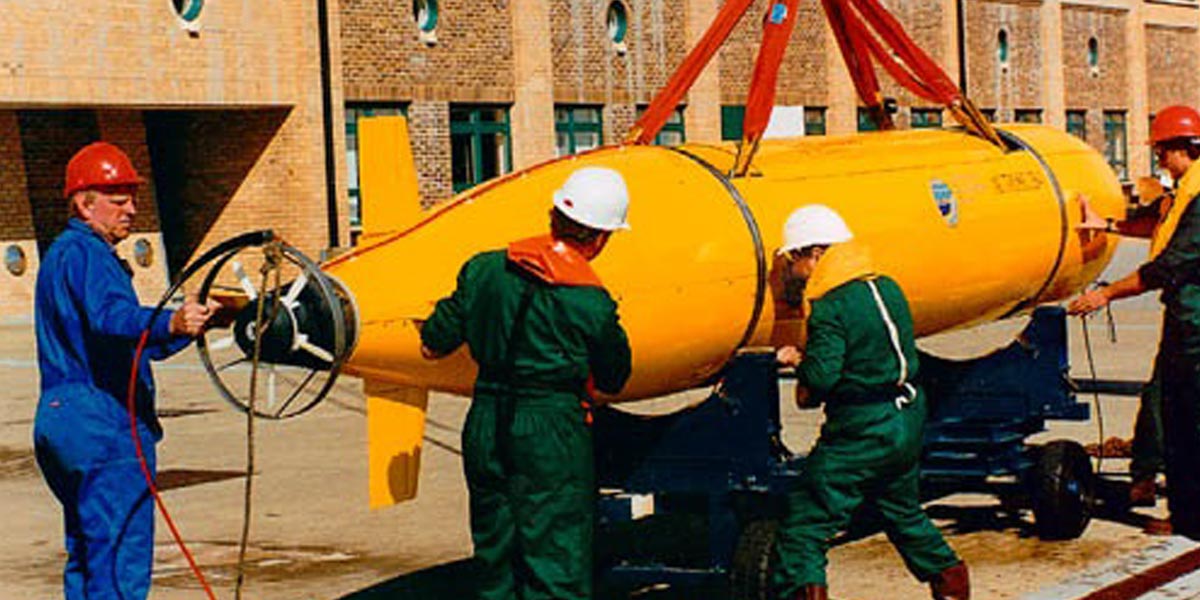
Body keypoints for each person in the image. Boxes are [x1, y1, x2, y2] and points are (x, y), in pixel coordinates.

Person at [420, 166, 633, 600]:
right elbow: (615, 377)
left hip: (486, 420)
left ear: (554, 216)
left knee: (495, 551)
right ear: (599, 238)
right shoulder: (590, 301)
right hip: (551, 431)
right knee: (556, 555)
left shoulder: (482, 269)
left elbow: (433, 343)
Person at [34, 141, 217, 599]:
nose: (132, 210)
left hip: (63, 420)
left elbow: (123, 342)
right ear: (84, 204)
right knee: (119, 562)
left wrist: (185, 326)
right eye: (118, 200)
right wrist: (170, 322)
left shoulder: (62, 255)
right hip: (102, 422)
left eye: (133, 198)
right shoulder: (87, 254)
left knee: (89, 555)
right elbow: (111, 318)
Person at [771, 205, 968, 600]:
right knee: (903, 512)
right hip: (906, 417)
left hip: (863, 429)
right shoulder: (887, 286)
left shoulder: (830, 305)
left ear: (816, 254)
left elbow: (823, 377)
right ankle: (951, 585)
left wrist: (797, 361)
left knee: (805, 527)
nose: (794, 271)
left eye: (794, 260)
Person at [1069, 104, 1200, 540]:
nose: (1159, 159)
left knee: (1187, 421)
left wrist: (1105, 294)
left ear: (1183, 148)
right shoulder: (1183, 192)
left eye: (1162, 151)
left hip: (1195, 323)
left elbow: (1168, 266)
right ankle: (1163, 491)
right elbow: (1156, 224)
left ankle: (1190, 516)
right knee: (1164, 403)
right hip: (1183, 320)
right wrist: (1106, 224)